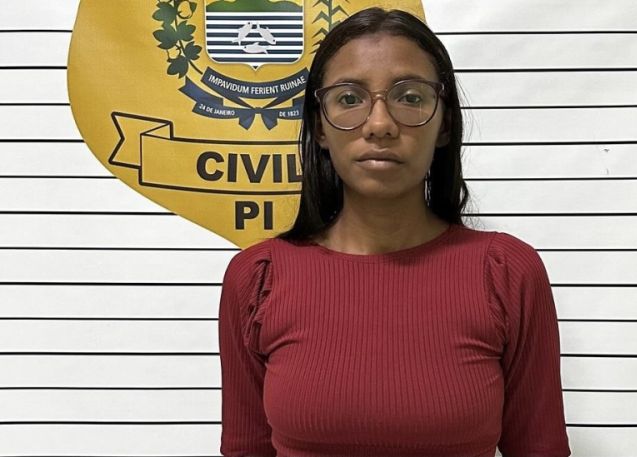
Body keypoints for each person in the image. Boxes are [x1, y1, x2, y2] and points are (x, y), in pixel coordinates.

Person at [218, 7, 571, 457]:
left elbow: (540, 448)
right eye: (349, 98)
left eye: (410, 97)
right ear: (319, 126)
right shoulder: (258, 278)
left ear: (444, 124)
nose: (380, 125)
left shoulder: (506, 273)